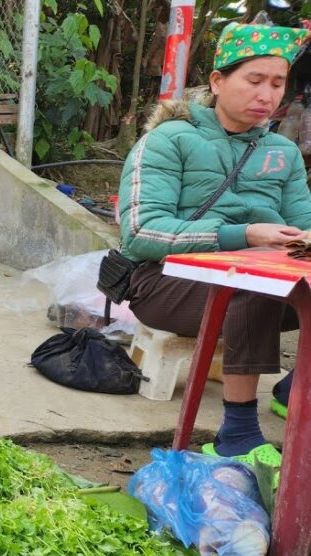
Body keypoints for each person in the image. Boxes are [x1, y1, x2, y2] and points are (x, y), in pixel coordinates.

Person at [118, 20, 311, 467]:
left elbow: (303, 227)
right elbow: (141, 233)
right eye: (254, 80)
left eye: (277, 83)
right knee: (251, 280)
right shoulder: (168, 140)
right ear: (218, 81)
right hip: (161, 283)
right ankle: (236, 431)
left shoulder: (281, 154)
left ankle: (294, 386)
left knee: (259, 276)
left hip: (256, 278)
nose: (267, 94)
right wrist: (242, 236)